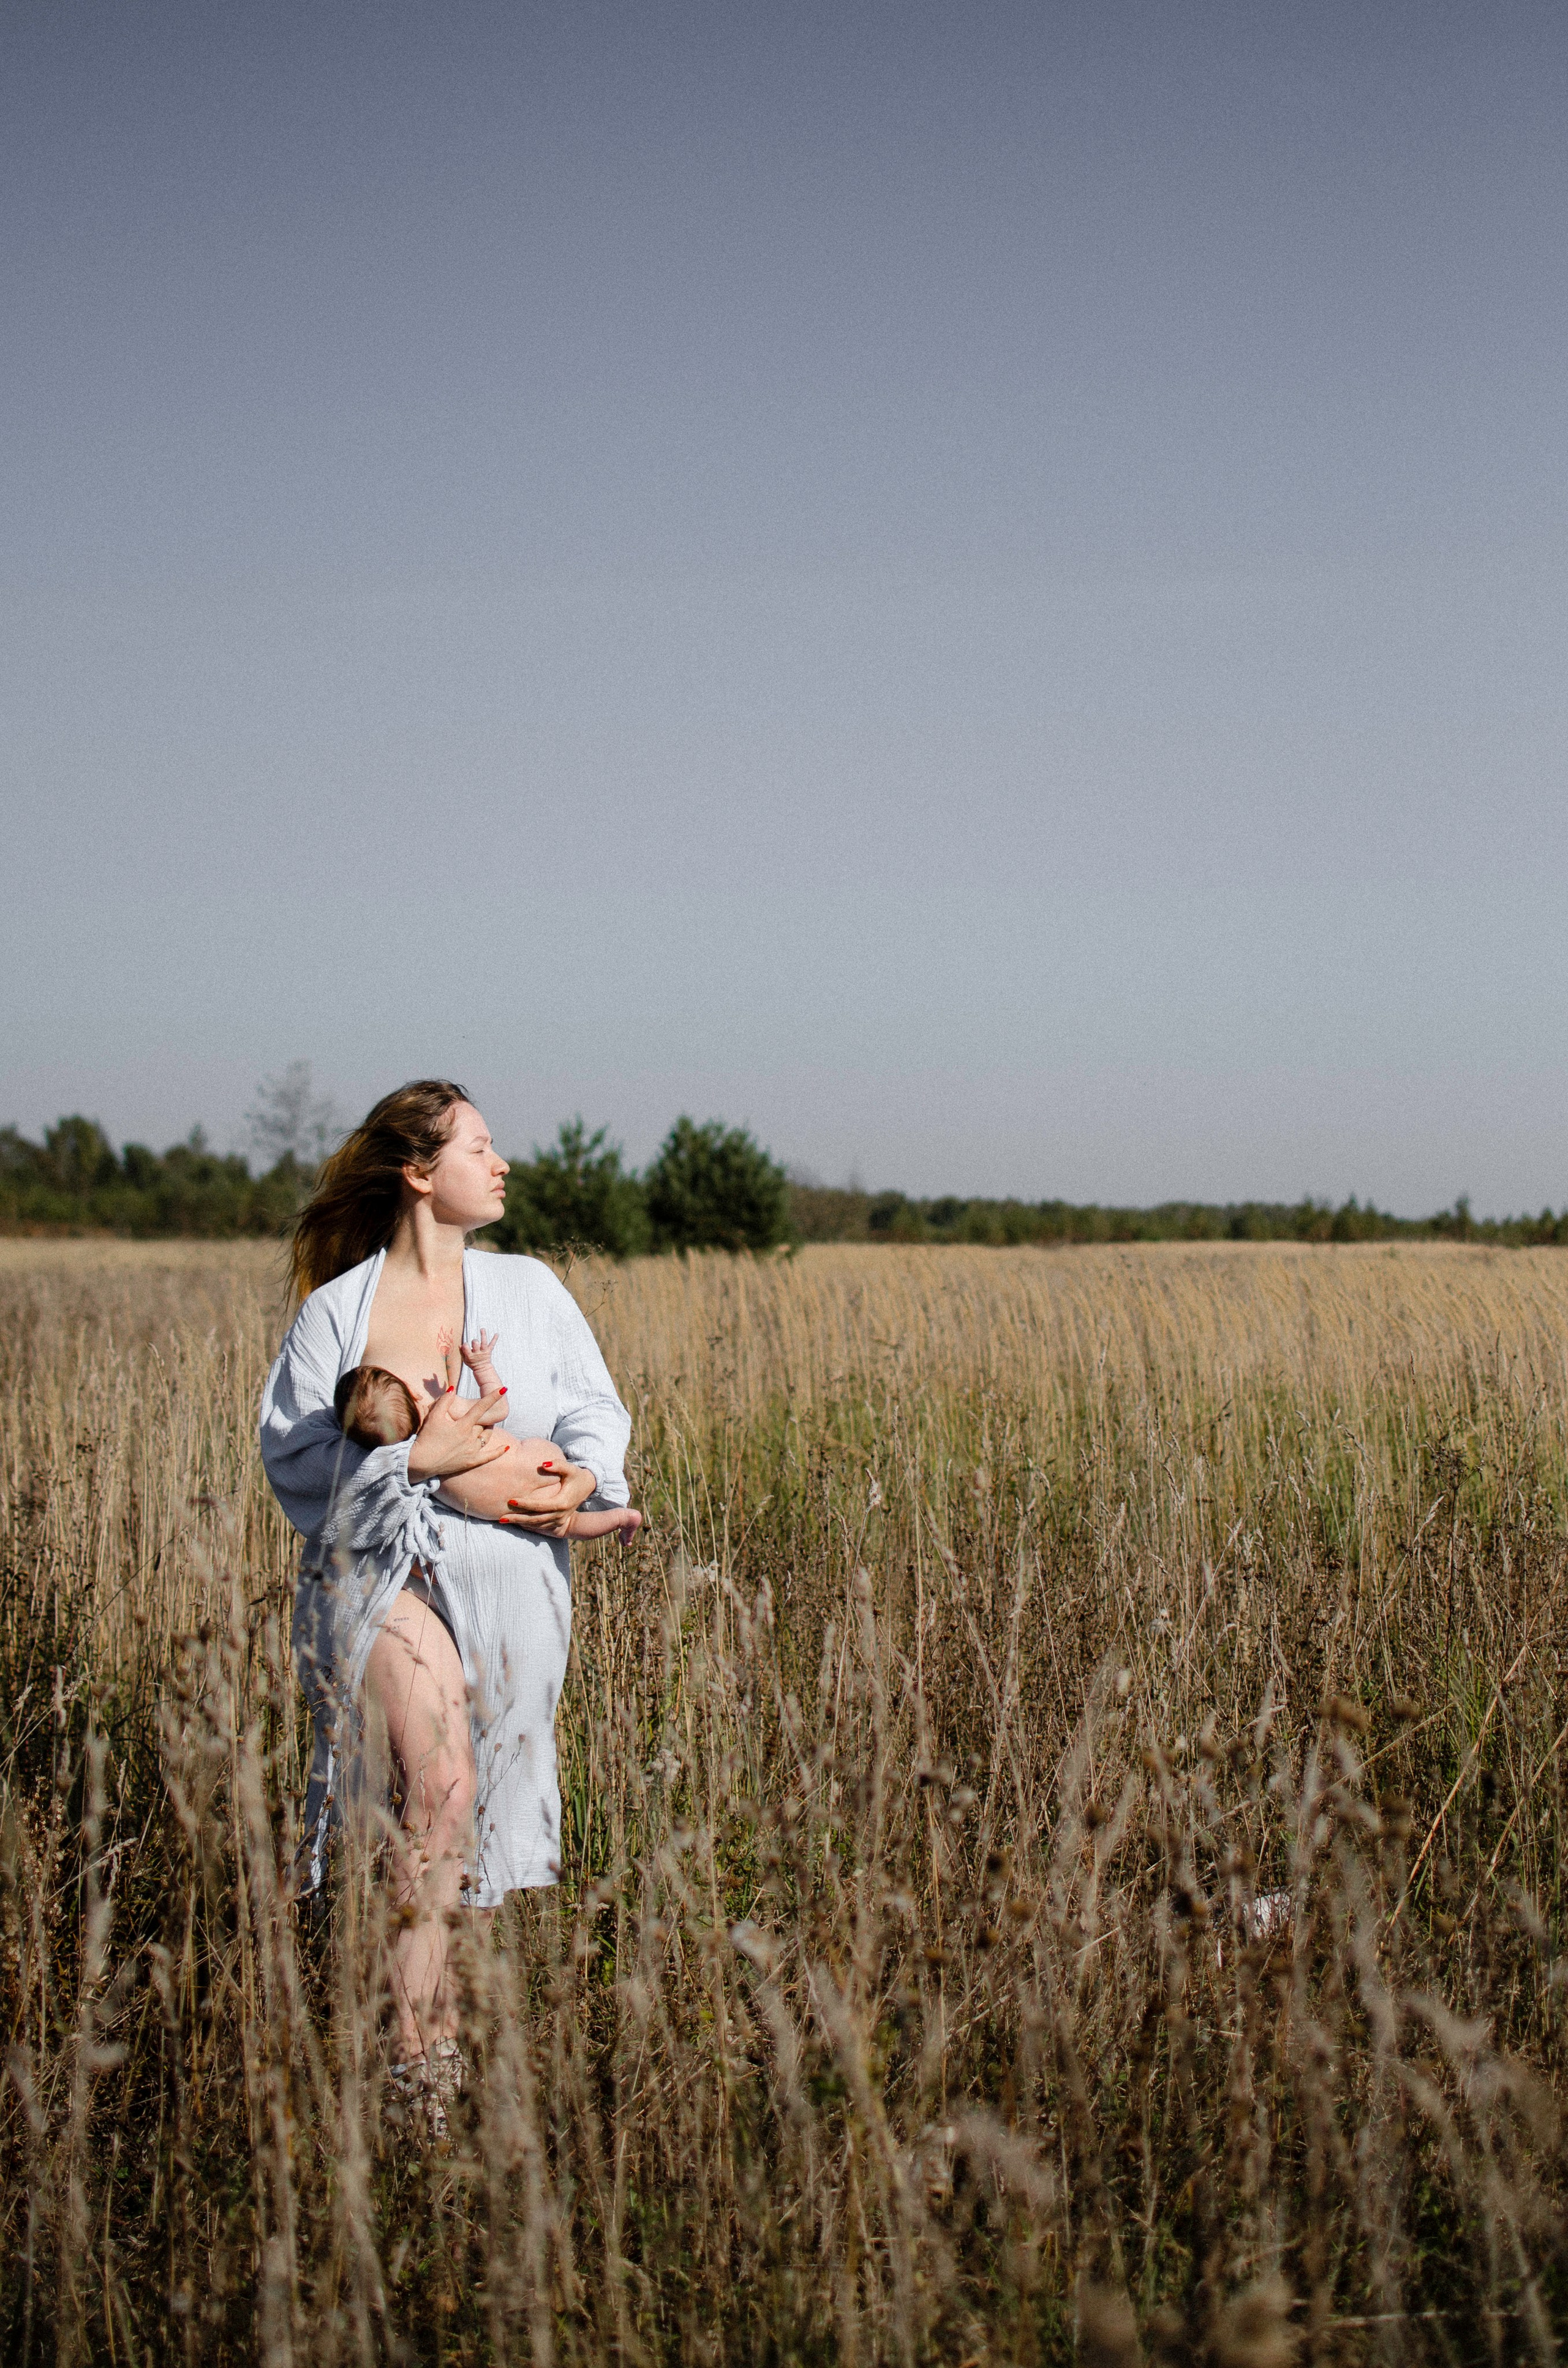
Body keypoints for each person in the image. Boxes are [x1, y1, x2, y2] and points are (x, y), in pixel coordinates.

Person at [258, 1080, 633, 2139]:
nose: (500, 1162)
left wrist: (583, 1481)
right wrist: (415, 1464)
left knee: (462, 1814)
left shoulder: (531, 1289)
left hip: (507, 1576)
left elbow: (596, 1408)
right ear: (421, 1173)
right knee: (440, 1785)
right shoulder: (339, 1311)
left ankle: (430, 2026)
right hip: (376, 1574)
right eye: (480, 1145)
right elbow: (297, 1466)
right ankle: (416, 2070)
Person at [332, 1331, 643, 1543]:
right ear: (413, 1393)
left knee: (568, 1525)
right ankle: (622, 1514)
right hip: (540, 1461)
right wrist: (481, 1366)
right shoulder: (444, 1411)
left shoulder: (409, 1466)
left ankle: (622, 1518)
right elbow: (498, 1408)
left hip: (521, 1507)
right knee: (567, 1518)